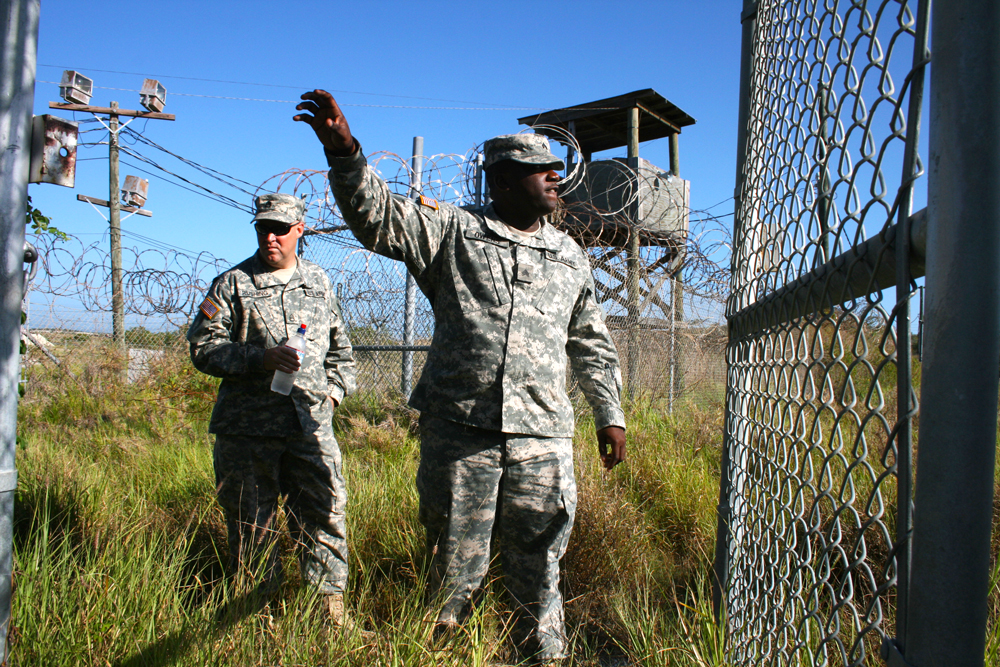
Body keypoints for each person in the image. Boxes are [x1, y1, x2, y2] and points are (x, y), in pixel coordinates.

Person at [294, 89, 626, 663]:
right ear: (501, 181)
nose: (554, 177)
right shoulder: (454, 231)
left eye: (555, 168)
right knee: (454, 567)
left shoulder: (571, 256)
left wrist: (610, 413)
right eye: (537, 170)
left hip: (542, 438)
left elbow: (591, 340)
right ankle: (449, 655)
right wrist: (346, 152)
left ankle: (540, 658)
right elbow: (378, 220)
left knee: (540, 568)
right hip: (461, 433)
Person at [187, 192, 357, 623]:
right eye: (263, 227)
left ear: (300, 230)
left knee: (325, 514)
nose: (270, 237)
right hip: (248, 430)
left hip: (310, 428)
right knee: (250, 525)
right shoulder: (232, 284)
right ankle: (255, 617)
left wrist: (333, 395)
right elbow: (204, 348)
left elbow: (341, 350)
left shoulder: (318, 282)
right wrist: (260, 359)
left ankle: (329, 613)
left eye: (280, 228)